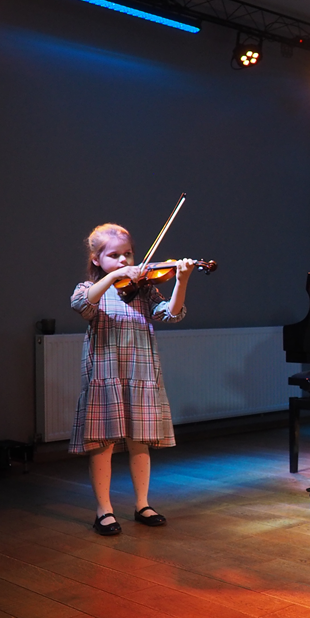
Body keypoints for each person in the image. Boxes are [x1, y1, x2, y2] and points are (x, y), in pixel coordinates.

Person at [69, 223, 195, 536]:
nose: (124, 260)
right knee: (103, 444)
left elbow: (171, 313)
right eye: (114, 255)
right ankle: (104, 510)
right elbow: (83, 305)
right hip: (106, 375)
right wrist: (113, 278)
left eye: (128, 254)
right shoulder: (89, 288)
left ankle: (142, 504)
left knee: (140, 441)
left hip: (141, 374)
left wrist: (181, 280)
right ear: (96, 259)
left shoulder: (143, 291)